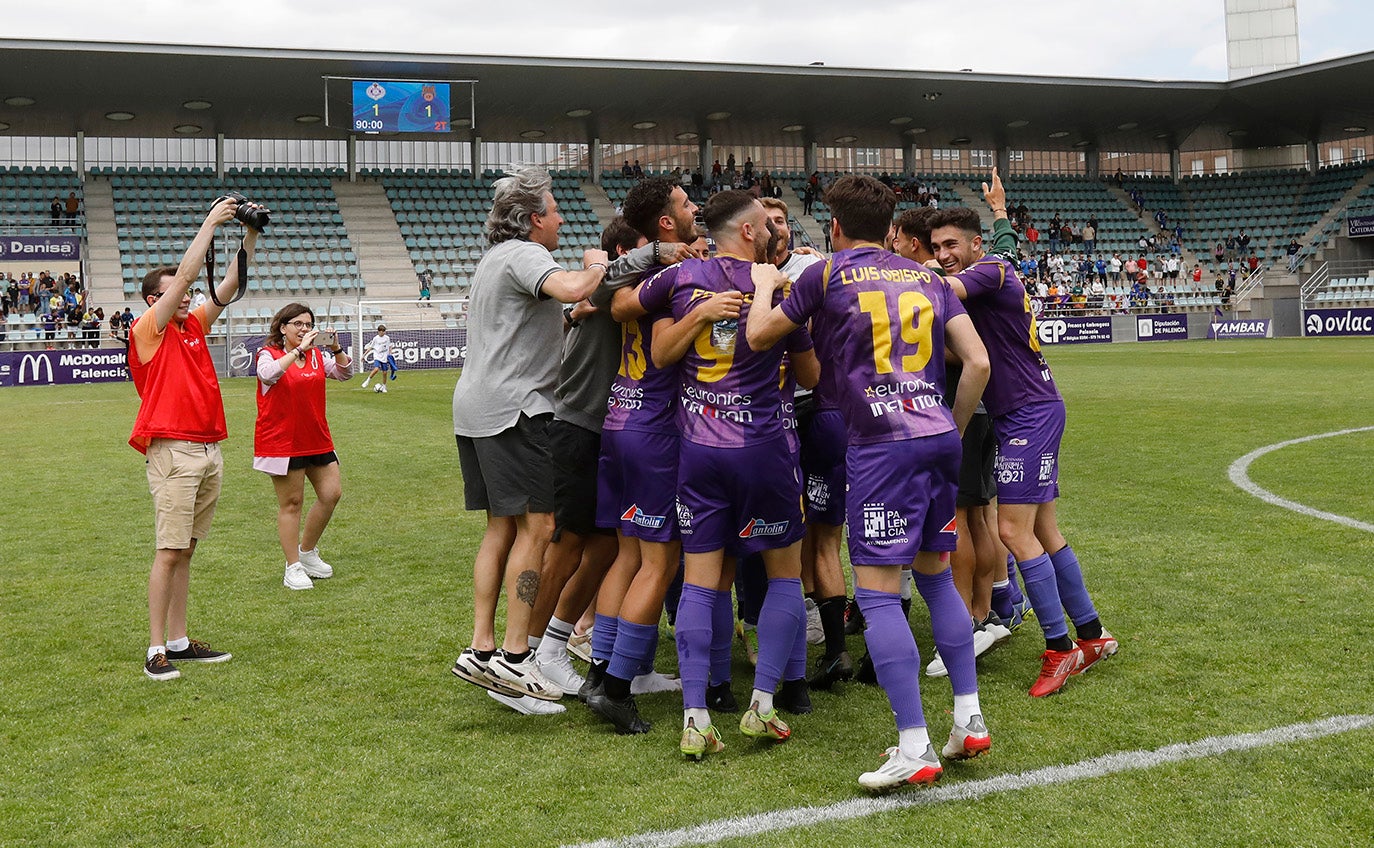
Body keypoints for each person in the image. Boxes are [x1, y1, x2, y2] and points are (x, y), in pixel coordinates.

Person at [748, 175, 992, 791]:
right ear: (890, 229)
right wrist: (954, 429)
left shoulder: (824, 274)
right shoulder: (930, 278)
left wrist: (758, 285)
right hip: (935, 433)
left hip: (881, 444)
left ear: (834, 226)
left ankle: (914, 745)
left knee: (880, 594)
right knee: (936, 576)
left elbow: (757, 337)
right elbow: (979, 362)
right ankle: (968, 719)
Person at [654, 189, 819, 760]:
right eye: (767, 226)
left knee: (700, 580)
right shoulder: (778, 289)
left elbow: (654, 347)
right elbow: (813, 375)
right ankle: (764, 704)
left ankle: (695, 716)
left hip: (698, 449)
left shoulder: (682, 279)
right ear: (749, 231)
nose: (777, 232)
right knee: (783, 577)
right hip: (765, 449)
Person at [929, 204, 1119, 698]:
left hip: (1028, 415)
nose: (943, 255)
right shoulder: (996, 262)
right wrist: (999, 212)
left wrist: (898, 270)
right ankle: (1092, 635)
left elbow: (949, 287)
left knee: (1013, 530)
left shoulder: (989, 270)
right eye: (935, 247)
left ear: (975, 246)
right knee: (1044, 530)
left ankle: (1061, 649)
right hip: (1030, 410)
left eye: (951, 245)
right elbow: (1007, 244)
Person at [448, 167, 610, 715]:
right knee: (539, 526)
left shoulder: (496, 260)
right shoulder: (525, 253)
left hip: (476, 406)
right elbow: (572, 284)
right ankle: (517, 659)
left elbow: (538, 317)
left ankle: (483, 647)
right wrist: (599, 264)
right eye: (555, 209)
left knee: (501, 526)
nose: (561, 218)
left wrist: (572, 314)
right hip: (516, 410)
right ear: (534, 218)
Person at [129, 197, 261, 681]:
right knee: (169, 550)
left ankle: (180, 641)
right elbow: (188, 277)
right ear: (153, 300)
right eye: (174, 294)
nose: (185, 298)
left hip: (207, 450)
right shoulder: (148, 329)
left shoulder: (192, 327)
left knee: (186, 549)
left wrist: (249, 234)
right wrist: (210, 222)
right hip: (173, 449)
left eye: (183, 296)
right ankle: (155, 648)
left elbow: (230, 286)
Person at [254, 303, 354, 590]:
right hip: (283, 441)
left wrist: (335, 349)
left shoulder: (317, 356)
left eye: (308, 324)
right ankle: (292, 566)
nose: (304, 329)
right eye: (297, 324)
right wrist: (296, 352)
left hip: (317, 437)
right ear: (283, 328)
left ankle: (307, 552)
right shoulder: (268, 354)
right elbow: (268, 374)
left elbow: (345, 374)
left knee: (331, 494)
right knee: (292, 504)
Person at [360, 325, 393, 392]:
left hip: (384, 357)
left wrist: (390, 354)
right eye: (382, 332)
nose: (383, 333)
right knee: (376, 369)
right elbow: (370, 347)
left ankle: (384, 386)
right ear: (378, 331)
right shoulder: (375, 338)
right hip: (377, 356)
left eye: (384, 331)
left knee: (385, 372)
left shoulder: (387, 338)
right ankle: (367, 380)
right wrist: (363, 355)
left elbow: (390, 346)